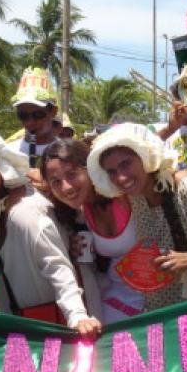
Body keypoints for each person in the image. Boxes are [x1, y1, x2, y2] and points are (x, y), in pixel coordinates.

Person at [87, 123, 187, 311]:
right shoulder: (134, 196)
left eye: (126, 164)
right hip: (168, 314)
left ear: (145, 156)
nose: (121, 177)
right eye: (112, 171)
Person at [0, 131, 101, 336]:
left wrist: (77, 316)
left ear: (3, 171)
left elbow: (58, 267)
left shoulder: (25, 213)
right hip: (29, 323)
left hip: (61, 326)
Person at [42, 138, 139, 324]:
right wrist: (80, 251)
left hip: (160, 302)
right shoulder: (79, 214)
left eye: (71, 175)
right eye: (56, 182)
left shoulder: (124, 194)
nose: (66, 187)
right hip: (116, 304)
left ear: (89, 169)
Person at [6, 67, 59, 169]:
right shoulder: (8, 152)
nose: (30, 122)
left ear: (53, 112)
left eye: (38, 115)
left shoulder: (68, 153)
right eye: (23, 116)